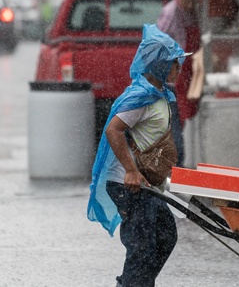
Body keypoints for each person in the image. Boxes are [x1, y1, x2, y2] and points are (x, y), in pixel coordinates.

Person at [87, 24, 190, 287]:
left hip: (148, 184)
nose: (179, 68)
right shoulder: (140, 96)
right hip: (128, 183)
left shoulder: (160, 95)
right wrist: (131, 170)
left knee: (165, 237)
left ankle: (137, 284)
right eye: (174, 64)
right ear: (160, 66)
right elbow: (114, 130)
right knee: (142, 248)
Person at [157, 0, 202, 167]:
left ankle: (178, 164)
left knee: (182, 121)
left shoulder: (190, 12)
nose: (191, 5)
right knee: (174, 122)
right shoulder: (170, 13)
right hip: (170, 78)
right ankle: (176, 166)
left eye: (194, 1)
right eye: (189, 0)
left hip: (187, 76)